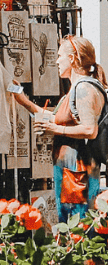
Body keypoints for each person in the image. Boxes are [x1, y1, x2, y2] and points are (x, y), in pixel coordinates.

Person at [31, 35, 106, 222]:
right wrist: (22, 100)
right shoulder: (77, 88)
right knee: (72, 223)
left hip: (77, 172)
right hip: (72, 170)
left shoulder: (83, 89)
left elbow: (90, 130)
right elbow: (55, 118)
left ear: (72, 59)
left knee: (77, 225)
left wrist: (55, 129)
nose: (56, 61)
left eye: (60, 56)